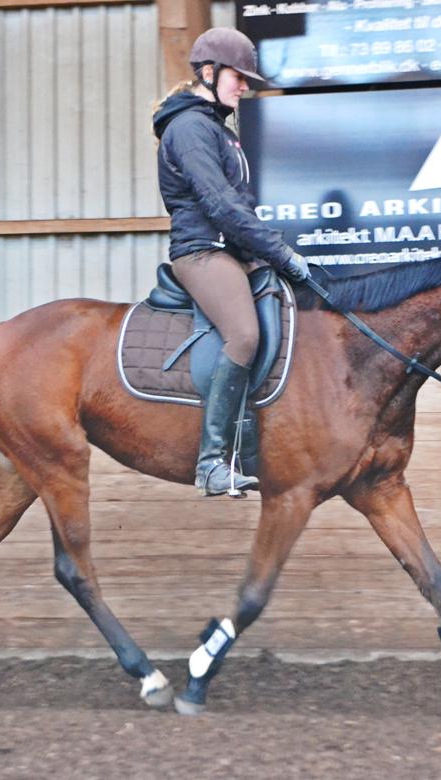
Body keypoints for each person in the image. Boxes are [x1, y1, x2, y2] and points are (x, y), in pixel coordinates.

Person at [151, 27, 310, 497]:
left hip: (232, 250)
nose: (244, 86)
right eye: (238, 77)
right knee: (243, 334)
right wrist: (277, 251)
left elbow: (240, 205)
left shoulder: (218, 129)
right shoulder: (190, 128)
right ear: (208, 72)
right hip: (201, 251)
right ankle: (212, 461)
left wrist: (272, 256)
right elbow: (221, 206)